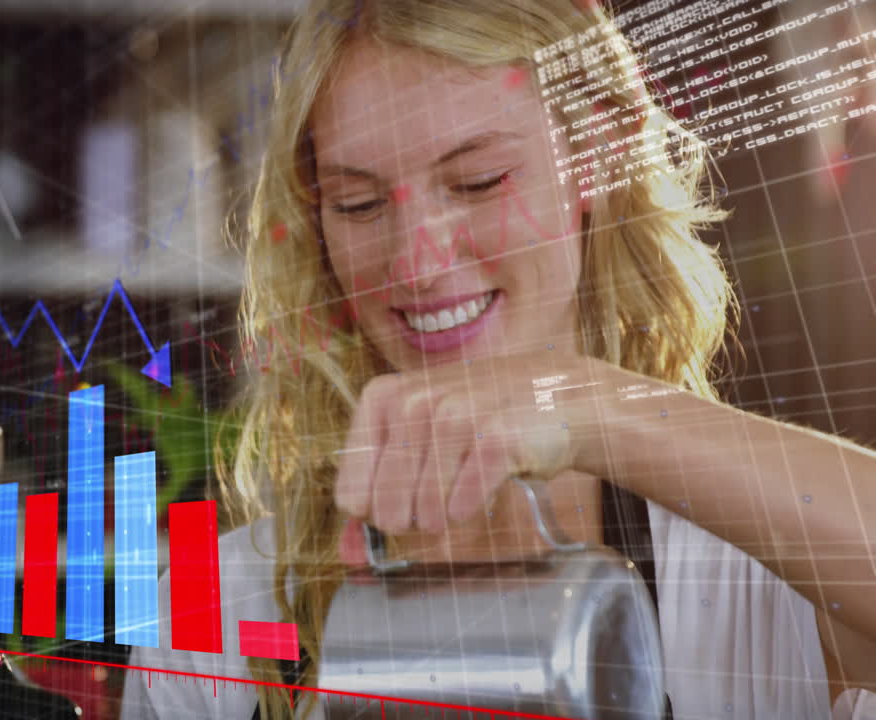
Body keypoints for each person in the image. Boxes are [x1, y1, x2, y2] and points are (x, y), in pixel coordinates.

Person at [120, 1, 876, 718]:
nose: (417, 265)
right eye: (358, 204)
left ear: (596, 156)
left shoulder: (760, 572)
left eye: (478, 182)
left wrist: (585, 403)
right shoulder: (216, 606)